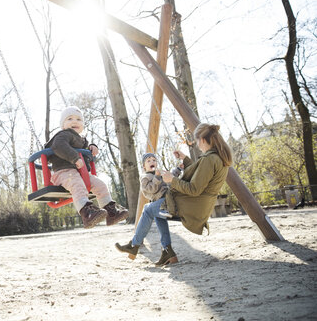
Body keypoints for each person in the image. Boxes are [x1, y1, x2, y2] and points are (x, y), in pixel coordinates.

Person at [115, 123, 232, 267]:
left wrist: (172, 180)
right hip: (197, 203)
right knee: (157, 212)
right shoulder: (216, 157)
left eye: (196, 141)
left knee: (147, 209)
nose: (197, 145)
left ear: (202, 140)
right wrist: (185, 160)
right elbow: (200, 175)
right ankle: (168, 252)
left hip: (190, 205)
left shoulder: (209, 159)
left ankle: (134, 245)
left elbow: (194, 188)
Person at [45, 106, 128, 229]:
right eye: (70, 119)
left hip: (80, 173)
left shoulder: (81, 139)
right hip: (64, 172)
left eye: (79, 119)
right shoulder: (63, 135)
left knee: (101, 185)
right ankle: (87, 213)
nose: (75, 121)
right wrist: (75, 158)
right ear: (62, 125)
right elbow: (58, 146)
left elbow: (85, 148)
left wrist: (92, 147)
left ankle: (111, 212)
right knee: (77, 184)